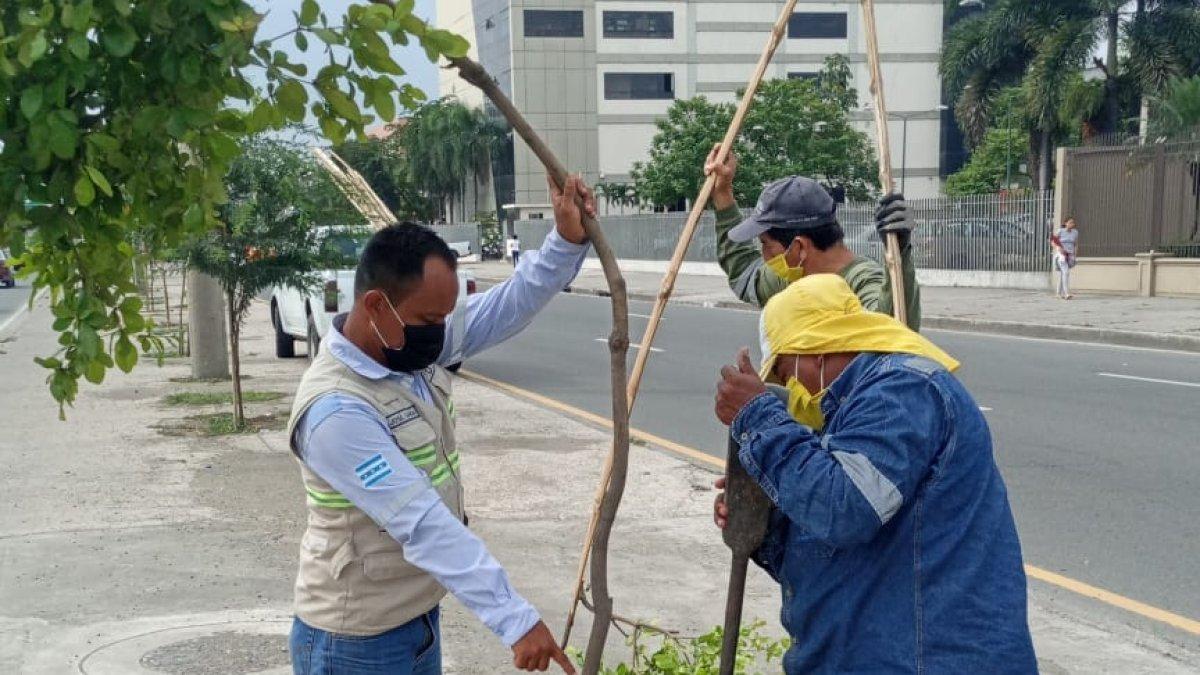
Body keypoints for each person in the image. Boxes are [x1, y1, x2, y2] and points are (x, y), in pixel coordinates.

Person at [286, 175, 596, 674]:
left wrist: (565, 240)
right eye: (429, 320)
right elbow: (423, 523)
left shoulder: (404, 350)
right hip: (355, 645)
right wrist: (514, 619)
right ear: (374, 306)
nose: (440, 333)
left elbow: (508, 304)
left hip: (415, 622)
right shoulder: (337, 412)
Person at [712, 274, 1036, 674]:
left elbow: (845, 510)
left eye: (785, 373)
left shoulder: (904, 390)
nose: (789, 390)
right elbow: (839, 548)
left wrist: (760, 418)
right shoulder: (848, 415)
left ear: (816, 351)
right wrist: (767, 518)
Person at [703, 145, 922, 330]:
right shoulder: (792, 276)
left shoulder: (861, 282)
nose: (764, 256)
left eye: (765, 244)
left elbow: (892, 331)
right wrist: (722, 192)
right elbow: (744, 272)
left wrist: (899, 253)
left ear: (799, 248)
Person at [1051, 217, 1079, 299]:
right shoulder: (1060, 231)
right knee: (1066, 272)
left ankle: (1058, 293)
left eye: (1073, 223)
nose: (1072, 224)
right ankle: (1066, 293)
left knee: (1063, 273)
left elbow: (1076, 244)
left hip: (1070, 255)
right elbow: (1053, 241)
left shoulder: (1075, 232)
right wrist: (1058, 248)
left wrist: (1075, 254)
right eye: (1070, 222)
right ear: (1065, 223)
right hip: (1061, 254)